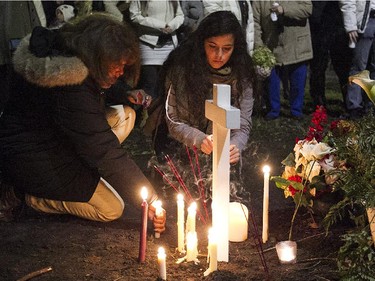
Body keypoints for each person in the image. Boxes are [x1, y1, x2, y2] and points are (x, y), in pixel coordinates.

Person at [0, 14, 166, 233]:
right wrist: (150, 199)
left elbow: (92, 90)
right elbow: (105, 150)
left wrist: (125, 93)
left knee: (125, 115)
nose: (120, 72)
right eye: (117, 65)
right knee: (111, 208)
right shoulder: (70, 85)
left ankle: (74, 174)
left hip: (53, 138)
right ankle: (26, 196)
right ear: (98, 55)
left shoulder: (71, 54)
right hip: (30, 157)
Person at [161, 11, 256, 165]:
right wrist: (199, 139)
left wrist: (235, 145)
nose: (219, 55)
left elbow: (242, 123)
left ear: (235, 48)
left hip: (223, 159)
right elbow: (173, 120)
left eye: (226, 49)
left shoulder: (242, 74)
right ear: (202, 43)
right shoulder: (182, 68)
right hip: (181, 151)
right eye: (212, 46)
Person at [252, 0, 313, 120]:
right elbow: (255, 22)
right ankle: (273, 110)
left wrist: (284, 10)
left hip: (297, 45)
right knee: (272, 82)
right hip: (271, 46)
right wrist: (259, 47)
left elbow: (307, 9)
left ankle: (296, 110)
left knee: (298, 80)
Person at [129, 0, 184, 100]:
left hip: (169, 42)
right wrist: (160, 25)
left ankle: (166, 113)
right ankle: (148, 113)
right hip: (148, 42)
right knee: (150, 84)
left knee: (169, 84)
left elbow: (180, 15)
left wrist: (172, 25)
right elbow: (134, 16)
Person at [309, 1, 352, 111]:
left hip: (338, 27)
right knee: (318, 67)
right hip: (318, 26)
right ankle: (318, 103)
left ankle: (349, 101)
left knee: (342, 67)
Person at [340, 0, 375, 119]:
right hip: (365, 22)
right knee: (359, 67)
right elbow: (348, 2)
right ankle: (354, 106)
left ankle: (371, 105)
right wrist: (350, 26)